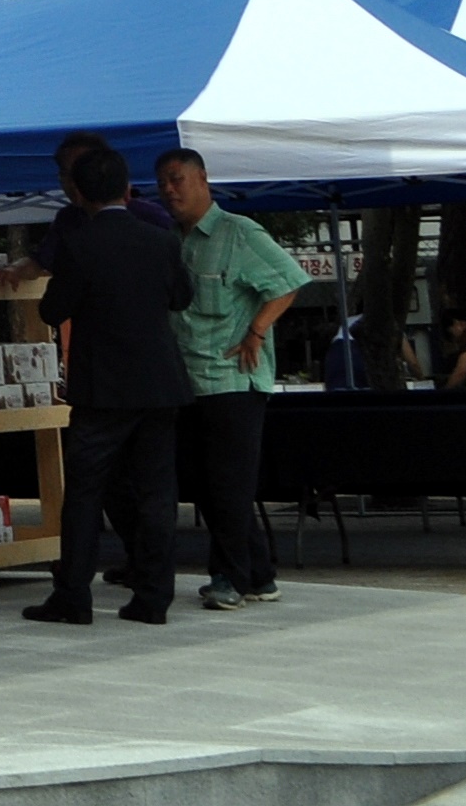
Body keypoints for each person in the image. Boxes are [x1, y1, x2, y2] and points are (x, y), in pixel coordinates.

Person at [29, 140, 192, 628]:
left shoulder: (79, 245)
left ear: (79, 193)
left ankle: (73, 596)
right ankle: (153, 598)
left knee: (85, 492)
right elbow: (181, 298)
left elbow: (52, 310)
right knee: (157, 493)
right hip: (159, 383)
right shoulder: (162, 241)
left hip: (101, 387)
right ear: (127, 189)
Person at [155, 147, 304, 611]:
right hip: (188, 380)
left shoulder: (239, 232)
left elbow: (288, 282)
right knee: (209, 485)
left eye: (177, 179)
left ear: (202, 178)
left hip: (233, 380)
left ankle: (229, 579)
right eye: (162, 183)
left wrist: (257, 330)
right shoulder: (172, 240)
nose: (169, 190)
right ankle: (259, 575)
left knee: (227, 486)